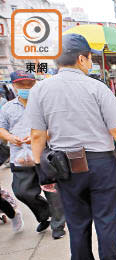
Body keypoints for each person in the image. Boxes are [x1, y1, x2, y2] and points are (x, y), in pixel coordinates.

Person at [25, 33, 116, 260]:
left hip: (65, 166)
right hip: (100, 164)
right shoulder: (96, 87)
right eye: (89, 58)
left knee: (77, 223)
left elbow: (36, 135)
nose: (90, 63)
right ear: (81, 58)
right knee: (107, 220)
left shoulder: (40, 90)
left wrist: (41, 167)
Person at [0, 71, 66, 239]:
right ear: (13, 86)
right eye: (21, 85)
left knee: (53, 192)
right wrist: (10, 138)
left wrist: (38, 137)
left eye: (29, 84)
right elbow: (2, 128)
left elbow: (57, 127)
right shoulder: (7, 108)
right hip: (20, 157)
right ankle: (45, 215)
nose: (26, 88)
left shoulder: (45, 104)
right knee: (22, 192)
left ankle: (58, 226)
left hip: (45, 156)